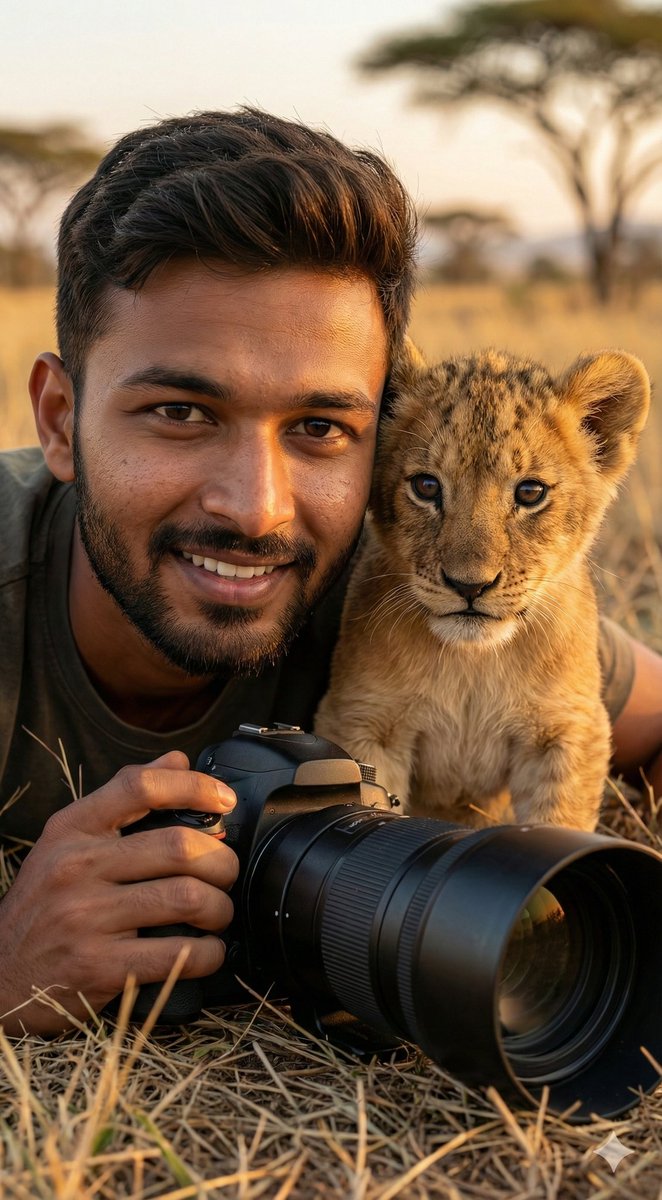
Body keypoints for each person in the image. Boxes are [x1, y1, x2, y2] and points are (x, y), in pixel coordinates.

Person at [0, 108, 660, 1036]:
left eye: (320, 429)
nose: (257, 508)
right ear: (61, 420)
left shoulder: (386, 575)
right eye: (182, 412)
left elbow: (623, 720)